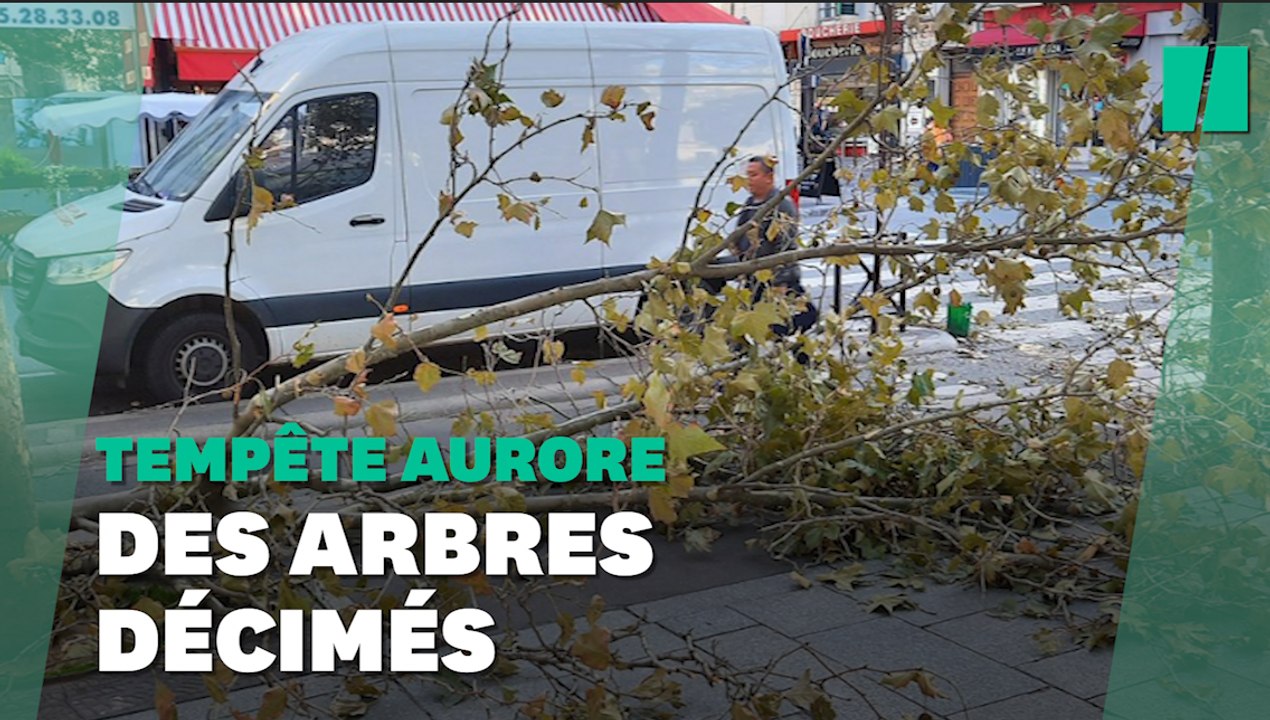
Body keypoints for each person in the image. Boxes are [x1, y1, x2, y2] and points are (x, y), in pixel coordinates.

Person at [726, 156, 819, 362]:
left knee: (796, 320)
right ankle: (738, 371)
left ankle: (800, 367)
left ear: (769, 177)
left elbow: (786, 246)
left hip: (776, 280)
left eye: (754, 174)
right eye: (747, 175)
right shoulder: (750, 204)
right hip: (753, 278)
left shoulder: (781, 206)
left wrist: (781, 282)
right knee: (747, 327)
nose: (749, 180)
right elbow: (738, 235)